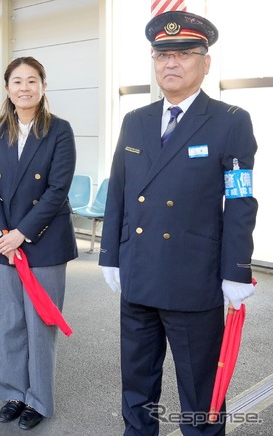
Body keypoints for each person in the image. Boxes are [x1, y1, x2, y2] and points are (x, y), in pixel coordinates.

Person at [99, 11, 258, 435]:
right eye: (161, 55)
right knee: (136, 387)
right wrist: (110, 255)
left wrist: (237, 269)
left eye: (184, 53)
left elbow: (241, 200)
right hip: (138, 275)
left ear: (205, 62)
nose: (171, 63)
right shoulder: (137, 120)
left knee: (200, 394)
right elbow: (119, 191)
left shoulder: (229, 120)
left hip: (193, 281)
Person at [0, 56, 77, 430]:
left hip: (44, 241)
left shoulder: (60, 131)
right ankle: (14, 392)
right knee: (8, 323)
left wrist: (21, 233)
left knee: (40, 325)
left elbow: (57, 190)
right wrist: (2, 233)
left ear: (43, 86)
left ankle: (38, 398)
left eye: (32, 81)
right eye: (17, 81)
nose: (24, 87)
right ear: (7, 89)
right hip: (4, 243)